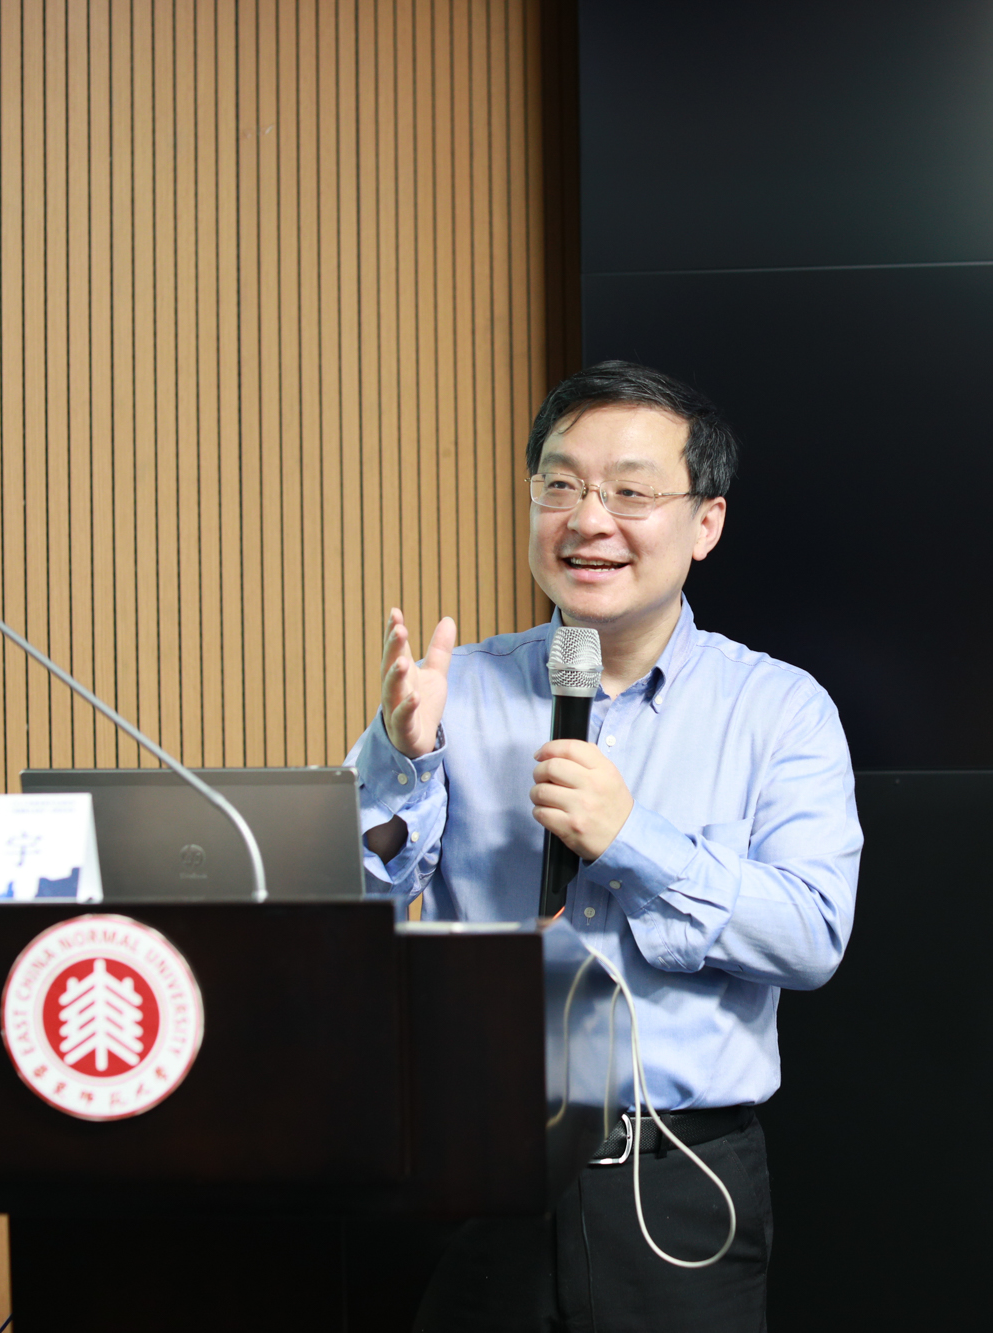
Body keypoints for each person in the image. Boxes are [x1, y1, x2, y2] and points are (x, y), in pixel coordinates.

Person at [345, 361, 863, 1332]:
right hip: (470, 1171)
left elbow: (809, 936)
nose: (588, 520)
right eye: (561, 485)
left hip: (678, 1179)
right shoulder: (453, 692)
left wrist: (632, 840)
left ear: (704, 522)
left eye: (630, 492)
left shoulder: (779, 710)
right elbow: (341, 917)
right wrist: (400, 761)